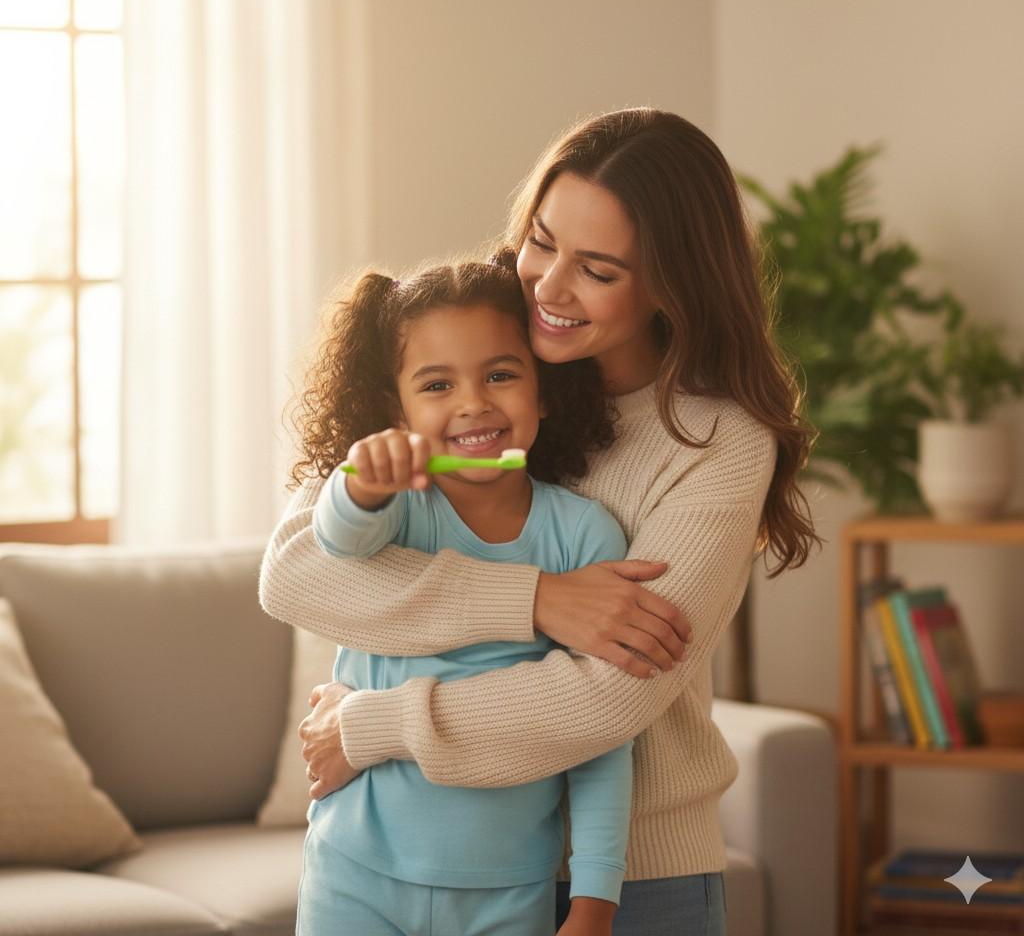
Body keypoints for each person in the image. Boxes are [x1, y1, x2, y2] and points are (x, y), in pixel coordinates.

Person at [260, 107, 820, 935]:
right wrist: (535, 600)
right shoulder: (479, 357)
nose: (548, 288)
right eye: (542, 241)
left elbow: (603, 699)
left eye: (596, 269)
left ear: (674, 281)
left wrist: (371, 725)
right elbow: (300, 572)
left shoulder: (718, 443)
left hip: (633, 884)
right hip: (424, 854)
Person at [289, 258, 637, 936]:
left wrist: (596, 898)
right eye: (437, 384)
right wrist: (361, 484)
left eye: (500, 375)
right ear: (399, 411)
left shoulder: (584, 533)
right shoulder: (398, 511)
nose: (473, 402)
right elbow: (339, 540)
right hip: (353, 871)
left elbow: (601, 730)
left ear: (543, 392)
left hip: (508, 888)